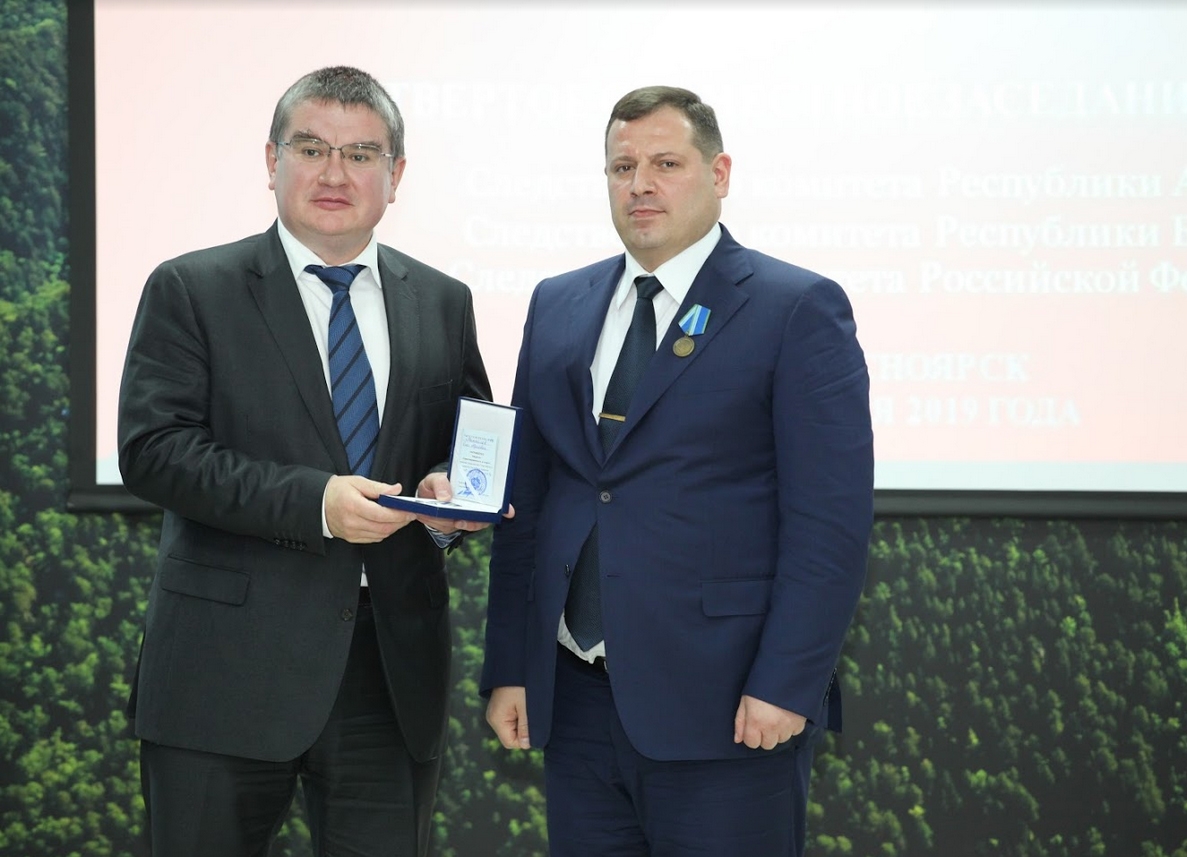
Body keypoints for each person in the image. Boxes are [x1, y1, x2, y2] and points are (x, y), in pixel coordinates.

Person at [481, 85, 874, 856]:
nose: (640, 184)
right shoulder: (558, 303)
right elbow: (528, 503)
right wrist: (510, 666)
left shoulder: (795, 308)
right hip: (575, 703)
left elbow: (828, 526)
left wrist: (785, 683)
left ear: (718, 174)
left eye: (666, 163)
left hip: (726, 707)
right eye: (621, 167)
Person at [118, 65, 496, 857]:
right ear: (271, 160)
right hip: (224, 672)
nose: (334, 173)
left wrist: (446, 495)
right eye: (312, 148)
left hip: (389, 674)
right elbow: (154, 451)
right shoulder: (192, 287)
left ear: (395, 174)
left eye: (360, 154)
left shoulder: (443, 299)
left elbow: (458, 446)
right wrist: (316, 502)